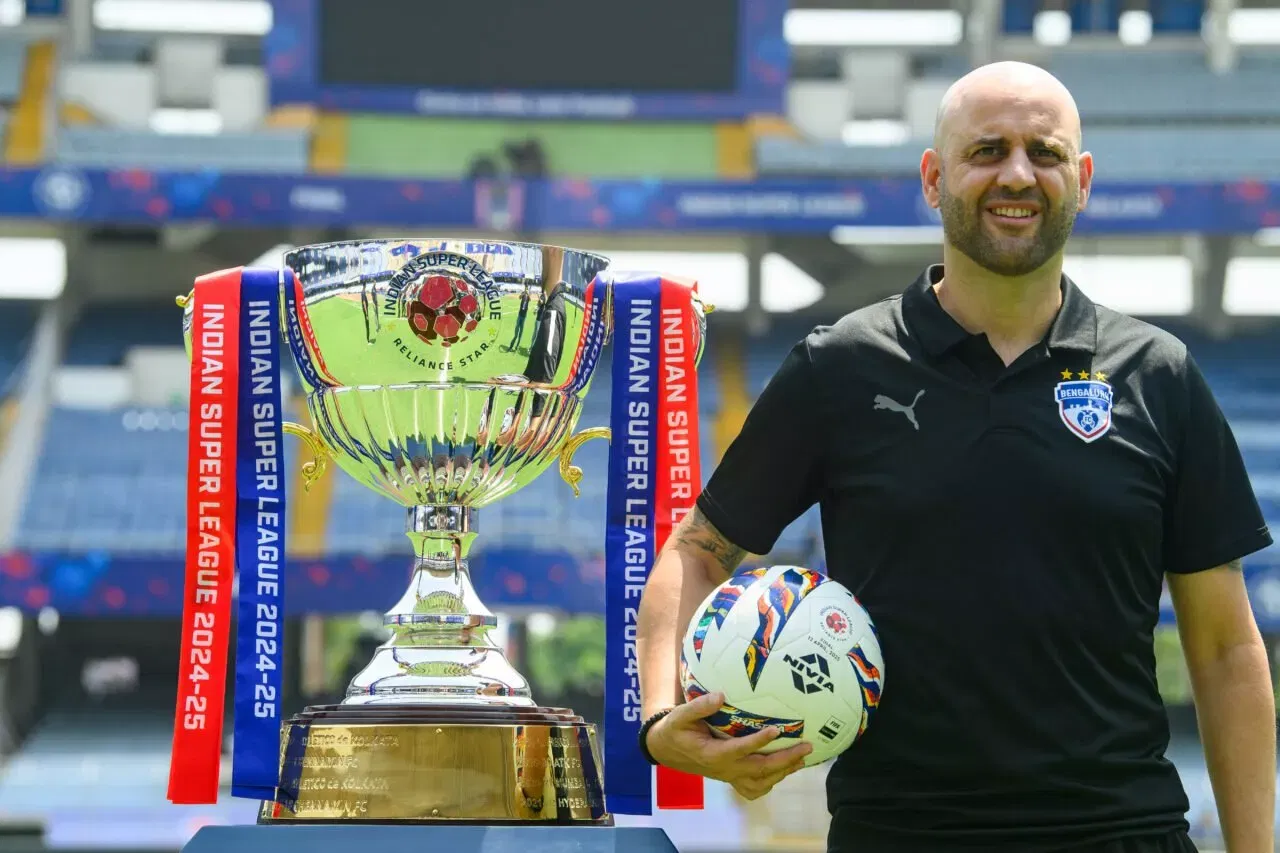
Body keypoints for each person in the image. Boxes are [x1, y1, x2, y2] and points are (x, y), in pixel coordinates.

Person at [634, 61, 1276, 853]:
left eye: (1043, 152)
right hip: (900, 835)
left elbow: (1223, 648)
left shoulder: (1161, 375)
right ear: (934, 179)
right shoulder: (840, 366)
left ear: (1082, 179)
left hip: (1122, 834)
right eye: (987, 150)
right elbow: (697, 550)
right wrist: (661, 718)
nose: (1017, 174)